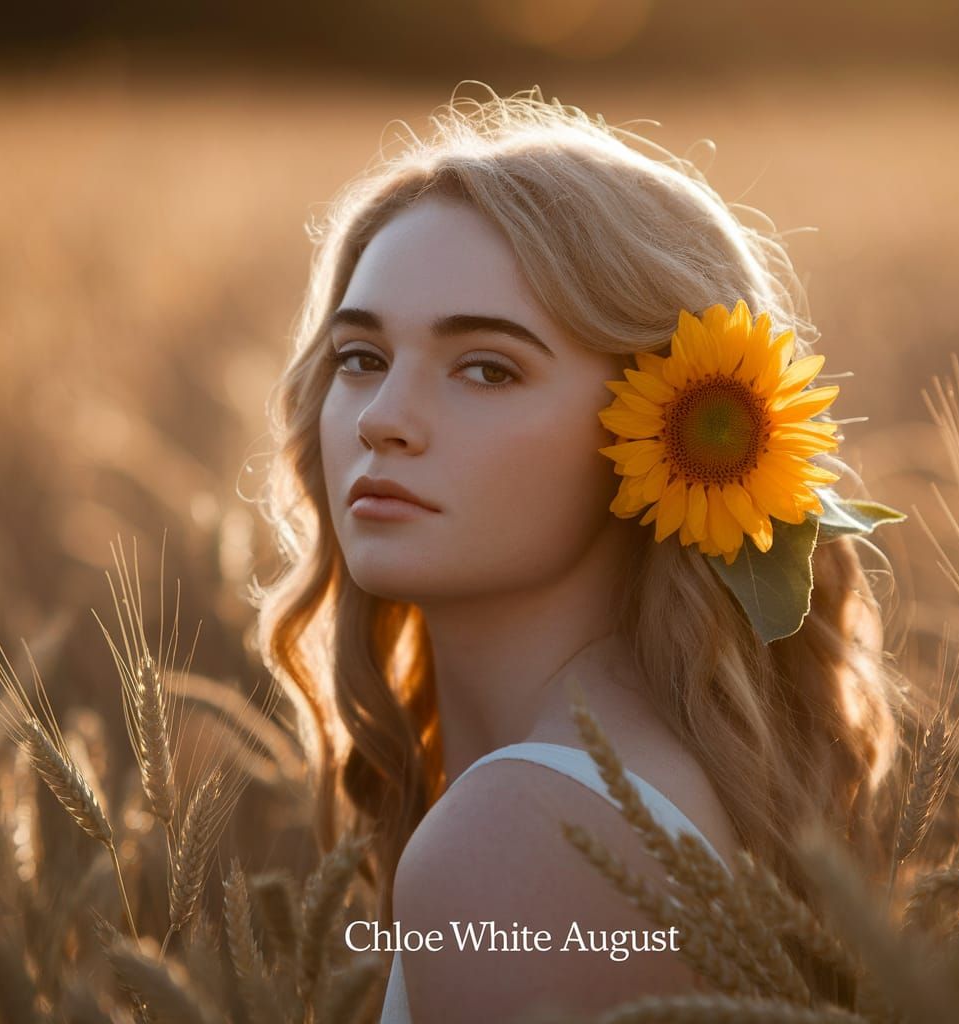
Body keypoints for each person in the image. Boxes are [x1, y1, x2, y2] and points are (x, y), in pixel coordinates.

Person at [253, 82, 904, 1022]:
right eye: (361, 357)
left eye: (487, 367)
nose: (384, 420)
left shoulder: (525, 840)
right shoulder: (631, 780)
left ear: (672, 428)